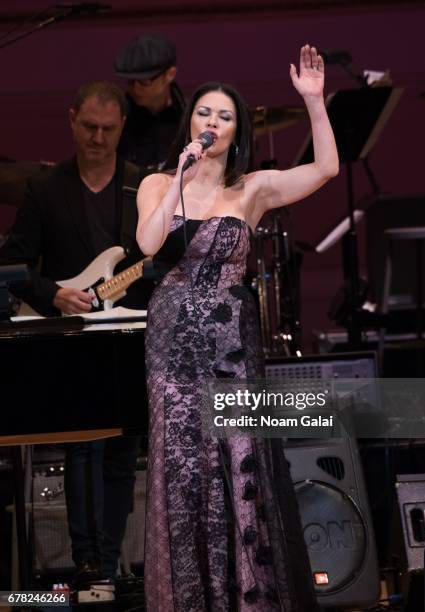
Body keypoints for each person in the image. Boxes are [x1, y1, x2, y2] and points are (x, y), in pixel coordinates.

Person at [136, 44, 338, 611]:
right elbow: (149, 245)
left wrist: (314, 103)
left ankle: (247, 598)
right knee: (184, 464)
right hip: (172, 344)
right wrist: (179, 177)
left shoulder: (251, 190)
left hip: (231, 345)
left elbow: (325, 169)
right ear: (190, 121)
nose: (212, 123)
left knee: (237, 457)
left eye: (224, 116)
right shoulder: (158, 183)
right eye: (205, 113)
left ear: (237, 129)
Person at [0, 81, 149, 586]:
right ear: (71, 121)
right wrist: (53, 294)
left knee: (124, 449)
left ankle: (108, 565)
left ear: (122, 127)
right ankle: (88, 564)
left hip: (127, 335)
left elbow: (154, 259)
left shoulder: (139, 185)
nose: (98, 137)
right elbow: (13, 263)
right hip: (72, 336)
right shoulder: (46, 190)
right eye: (89, 127)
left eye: (108, 129)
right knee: (82, 446)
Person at [114, 33, 185, 170]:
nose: (135, 88)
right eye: (130, 81)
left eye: (145, 81)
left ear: (170, 74)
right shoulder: (117, 116)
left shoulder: (190, 115)